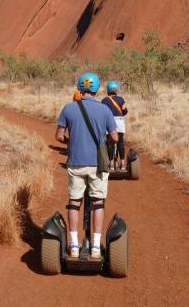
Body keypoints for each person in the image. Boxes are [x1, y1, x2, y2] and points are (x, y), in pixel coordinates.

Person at [56, 72, 118, 260]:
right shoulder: (105, 111)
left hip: (76, 163)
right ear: (97, 88)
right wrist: (103, 140)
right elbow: (115, 137)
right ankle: (96, 248)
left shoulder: (68, 109)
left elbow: (59, 136)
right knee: (98, 203)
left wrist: (72, 137)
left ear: (80, 88)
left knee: (74, 203)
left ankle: (74, 245)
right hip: (98, 165)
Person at [102, 81, 129, 171]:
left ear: (108, 90)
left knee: (110, 144)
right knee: (120, 143)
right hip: (120, 122)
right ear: (116, 89)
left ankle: (112, 164)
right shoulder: (121, 99)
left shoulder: (104, 100)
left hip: (110, 122)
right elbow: (124, 111)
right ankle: (123, 164)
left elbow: (103, 112)